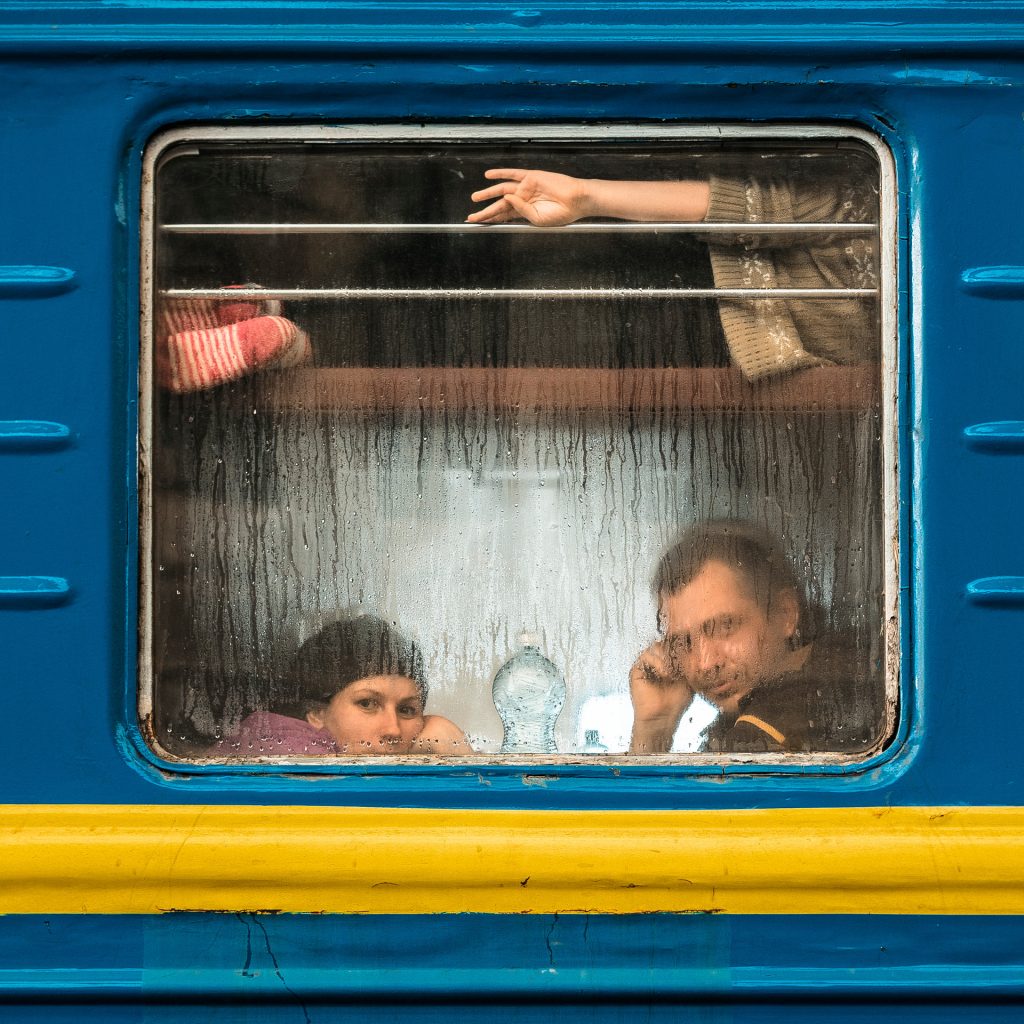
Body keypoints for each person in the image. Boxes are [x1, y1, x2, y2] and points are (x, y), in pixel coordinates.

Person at [467, 167, 878, 380]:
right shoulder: (872, 217)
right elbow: (762, 207)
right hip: (687, 311)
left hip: (731, 351)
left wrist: (587, 197)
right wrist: (587, 196)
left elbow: (768, 209)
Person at [627, 521, 883, 754]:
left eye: (725, 626)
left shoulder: (784, 726)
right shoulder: (747, 720)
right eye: (684, 643)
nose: (705, 663)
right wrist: (655, 726)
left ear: (786, 615)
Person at [211, 615, 471, 757]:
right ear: (316, 712)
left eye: (407, 710)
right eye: (367, 703)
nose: (393, 729)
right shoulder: (286, 752)